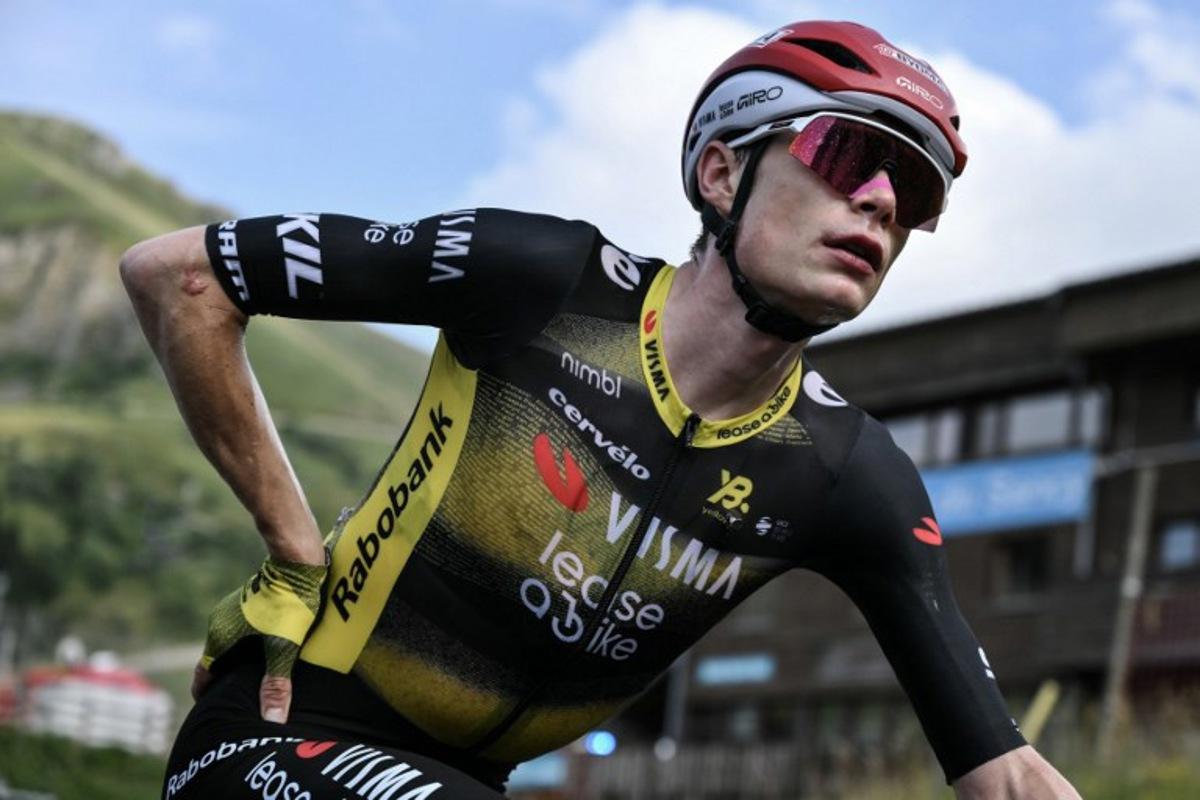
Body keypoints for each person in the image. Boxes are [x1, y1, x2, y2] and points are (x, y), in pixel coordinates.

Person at [122, 19, 1081, 800]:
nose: (879, 204)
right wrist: (294, 545)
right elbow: (179, 278)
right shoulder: (543, 280)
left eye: (912, 192)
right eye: (846, 154)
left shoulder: (844, 471)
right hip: (283, 731)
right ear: (720, 174)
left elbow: (1005, 773)